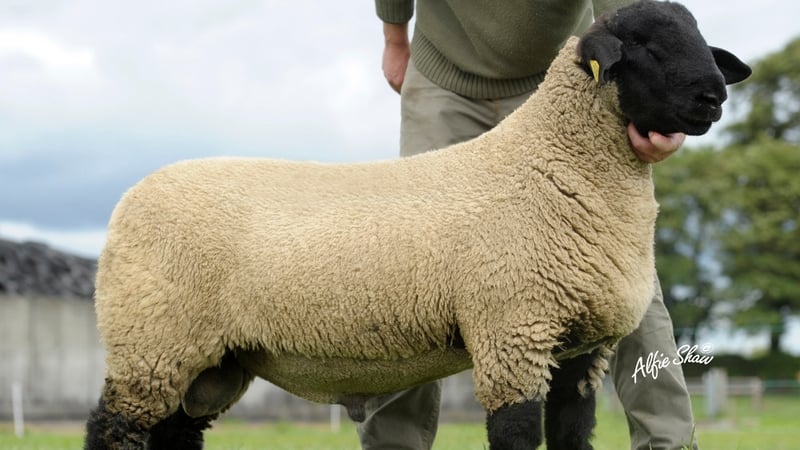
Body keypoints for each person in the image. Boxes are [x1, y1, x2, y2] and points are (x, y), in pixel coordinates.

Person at [359, 1, 698, 450]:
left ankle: (668, 441)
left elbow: (636, 12)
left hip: (565, 81)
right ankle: (391, 445)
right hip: (445, 78)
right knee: (410, 268)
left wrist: (663, 113)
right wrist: (394, 38)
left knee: (616, 264)